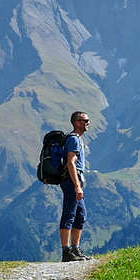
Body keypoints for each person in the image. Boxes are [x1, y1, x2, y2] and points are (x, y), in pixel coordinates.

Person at [59, 110, 92, 262]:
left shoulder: (78, 139)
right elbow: (70, 162)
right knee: (69, 214)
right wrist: (77, 186)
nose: (88, 123)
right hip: (71, 180)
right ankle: (66, 252)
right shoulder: (73, 139)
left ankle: (75, 249)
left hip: (75, 180)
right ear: (77, 122)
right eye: (85, 120)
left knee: (81, 215)